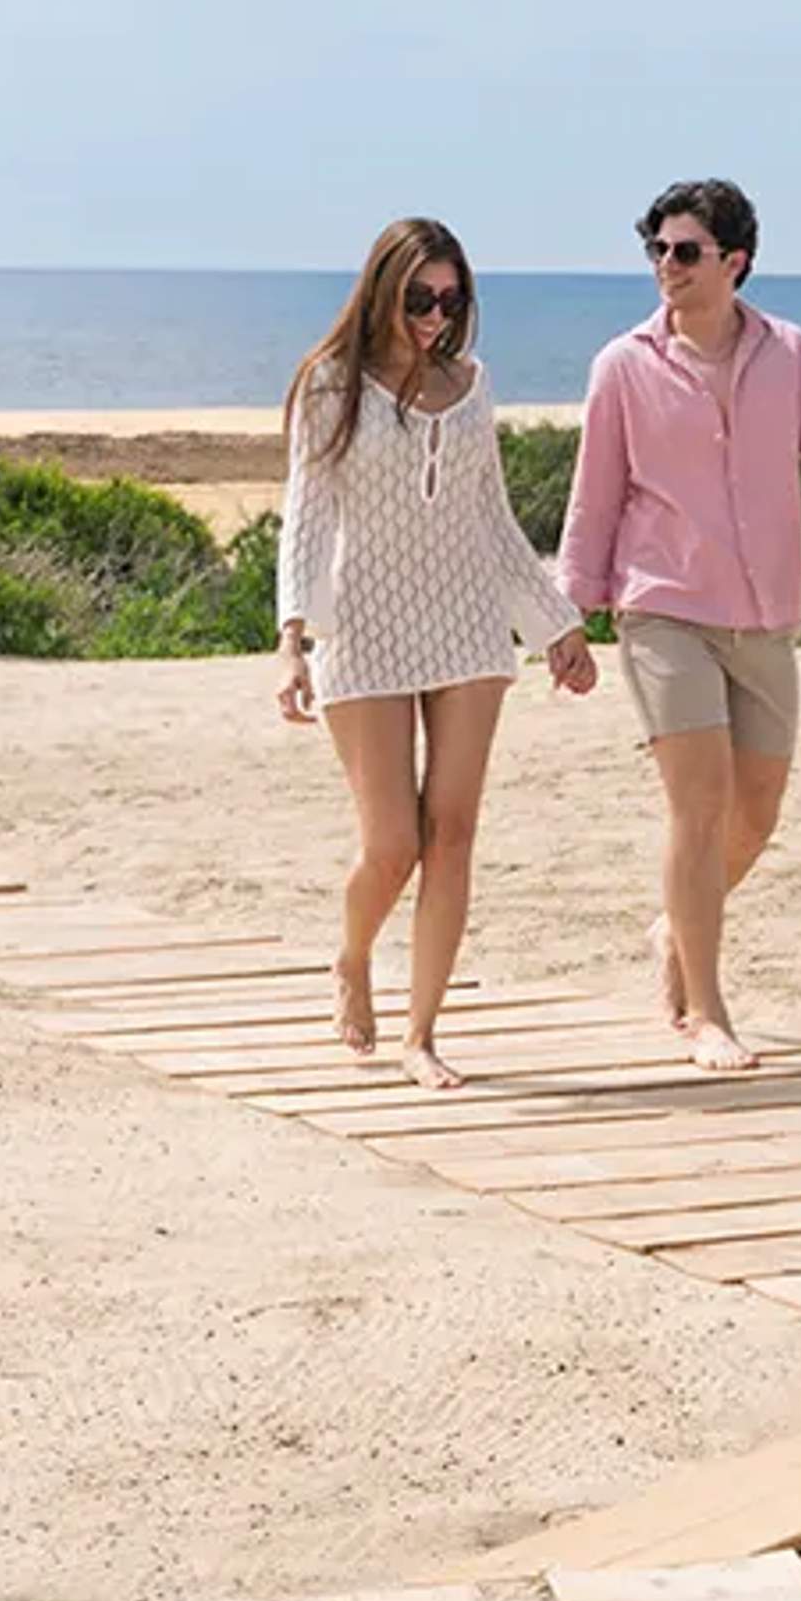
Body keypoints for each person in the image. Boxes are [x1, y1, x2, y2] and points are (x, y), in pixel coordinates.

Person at [560, 179, 801, 1071]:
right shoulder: (623, 366)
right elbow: (594, 496)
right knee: (700, 804)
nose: (666, 268)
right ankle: (706, 1011)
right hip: (662, 609)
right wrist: (571, 612)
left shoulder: (791, 355)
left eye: (685, 252)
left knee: (756, 815)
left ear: (735, 262)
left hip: (765, 613)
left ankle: (674, 930)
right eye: (656, 250)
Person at [274, 218, 597, 1089]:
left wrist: (556, 623)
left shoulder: (473, 384)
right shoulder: (329, 385)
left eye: (450, 301)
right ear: (382, 290)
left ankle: (422, 1035)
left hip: (468, 631)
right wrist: (292, 640)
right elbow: (307, 519)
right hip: (366, 634)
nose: (434, 315)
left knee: (452, 836)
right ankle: (351, 956)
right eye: (419, 298)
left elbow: (491, 519)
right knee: (392, 845)